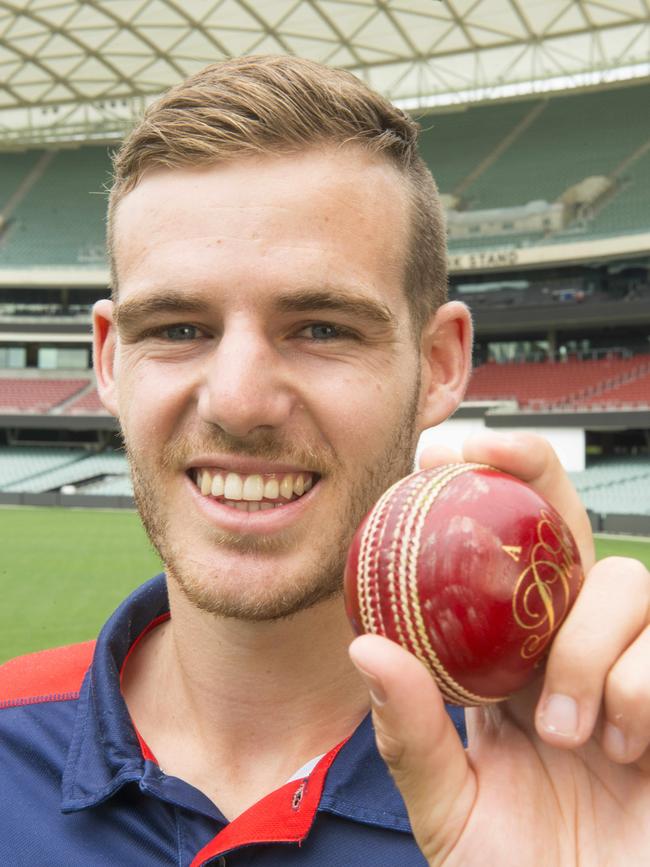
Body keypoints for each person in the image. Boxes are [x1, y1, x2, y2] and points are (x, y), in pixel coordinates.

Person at [0, 55, 648, 866]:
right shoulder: (6, 746)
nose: (237, 401)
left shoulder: (572, 776)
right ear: (107, 359)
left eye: (322, 327)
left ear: (442, 361)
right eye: (177, 328)